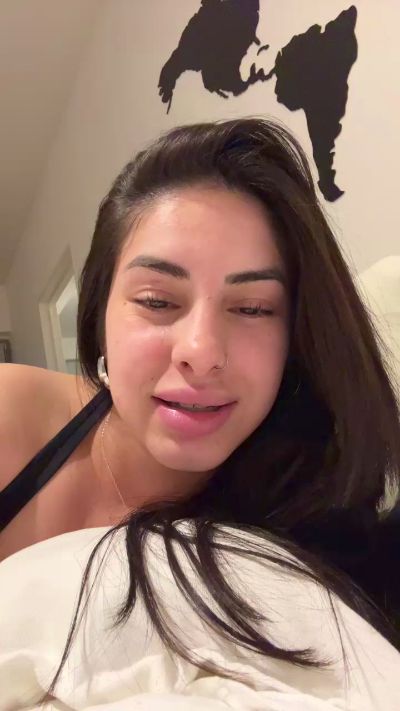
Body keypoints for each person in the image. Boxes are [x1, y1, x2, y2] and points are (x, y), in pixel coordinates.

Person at [0, 117, 399, 710]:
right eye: (158, 301)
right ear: (99, 315)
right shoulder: (13, 414)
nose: (201, 351)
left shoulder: (316, 521)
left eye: (252, 308)